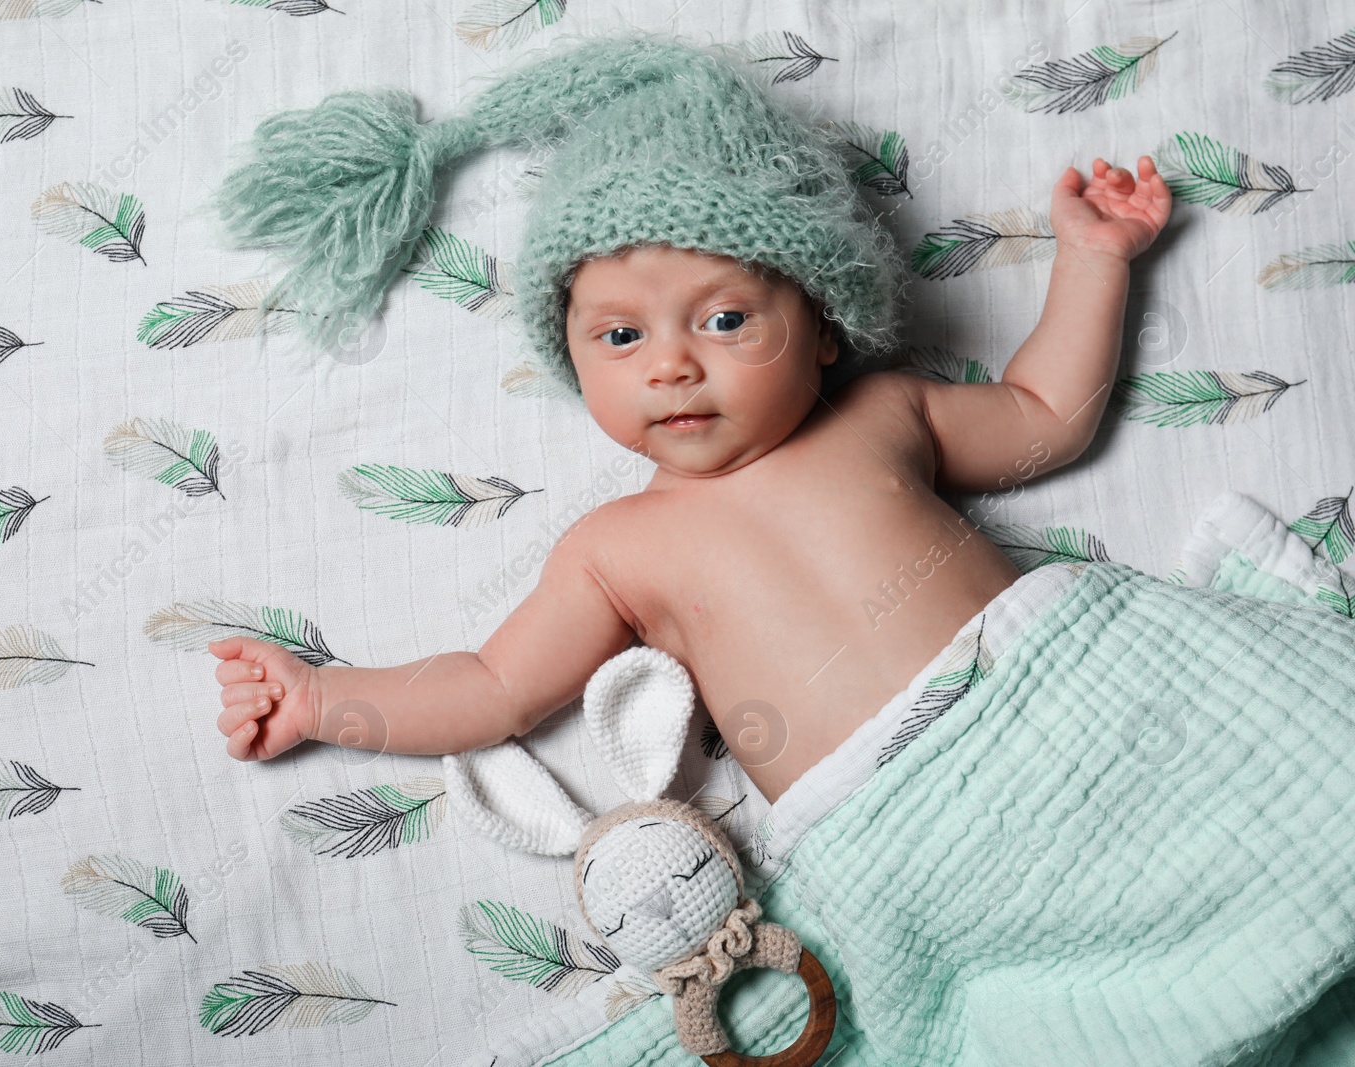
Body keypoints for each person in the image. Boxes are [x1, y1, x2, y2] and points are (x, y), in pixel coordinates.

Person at [201, 31, 1169, 805]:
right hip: (878, 821)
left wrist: (1093, 262)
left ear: (824, 323)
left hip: (1054, 704)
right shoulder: (616, 550)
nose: (670, 363)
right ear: (571, 360)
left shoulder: (883, 413)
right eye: (619, 337)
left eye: (723, 318)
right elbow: (495, 688)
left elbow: (1047, 416)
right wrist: (323, 697)